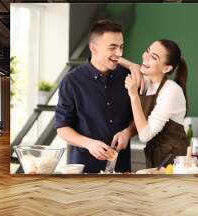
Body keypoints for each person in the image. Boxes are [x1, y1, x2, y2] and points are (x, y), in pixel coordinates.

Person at [55, 20, 137, 173]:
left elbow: (138, 118)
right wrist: (89, 144)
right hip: (83, 169)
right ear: (94, 48)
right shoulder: (71, 81)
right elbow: (62, 127)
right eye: (112, 47)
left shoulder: (128, 77)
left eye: (121, 47)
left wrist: (128, 132)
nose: (119, 53)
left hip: (121, 168)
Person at [119, 39, 189, 168]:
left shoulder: (171, 90)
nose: (145, 56)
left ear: (166, 68)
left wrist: (133, 95)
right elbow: (132, 66)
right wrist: (112, 57)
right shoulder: (148, 83)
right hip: (155, 158)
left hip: (173, 162)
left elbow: (145, 135)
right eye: (147, 51)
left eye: (154, 57)